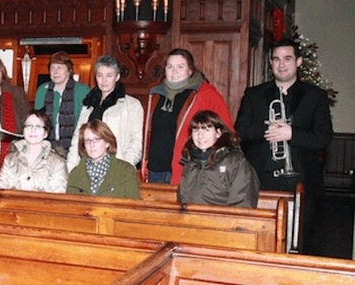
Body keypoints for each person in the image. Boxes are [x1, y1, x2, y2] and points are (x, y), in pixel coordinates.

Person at [235, 38, 333, 254]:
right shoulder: (254, 94)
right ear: (270, 63)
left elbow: (323, 137)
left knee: (298, 243)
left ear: (298, 62)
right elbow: (239, 132)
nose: (281, 64)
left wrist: (292, 133)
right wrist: (265, 131)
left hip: (301, 182)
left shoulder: (315, 96)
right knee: (261, 242)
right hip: (262, 180)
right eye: (276, 59)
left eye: (287, 59)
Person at [142, 48, 233, 185]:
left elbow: (227, 132)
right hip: (155, 168)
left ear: (190, 70)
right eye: (170, 66)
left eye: (180, 67)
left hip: (188, 169)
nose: (174, 71)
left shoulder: (206, 94)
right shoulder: (154, 94)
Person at [66, 54, 143, 171]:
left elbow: (136, 143)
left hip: (116, 168)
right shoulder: (88, 104)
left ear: (117, 77)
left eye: (109, 75)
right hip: (87, 167)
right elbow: (78, 138)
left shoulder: (132, 105)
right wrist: (71, 168)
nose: (104, 80)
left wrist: (123, 168)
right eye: (100, 75)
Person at [178, 110, 260, 208]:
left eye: (206, 130)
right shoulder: (190, 163)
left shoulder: (236, 162)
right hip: (192, 221)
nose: (200, 136)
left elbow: (243, 205)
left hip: (221, 221)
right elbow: (183, 200)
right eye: (196, 130)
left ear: (218, 133)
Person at [0, 109, 69, 193]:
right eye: (29, 126)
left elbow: (58, 197)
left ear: (46, 133)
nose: (32, 130)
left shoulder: (58, 163)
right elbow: (0, 190)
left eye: (38, 126)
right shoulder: (10, 159)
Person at [34, 51, 91, 158]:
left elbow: (87, 123)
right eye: (52, 68)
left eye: (59, 67)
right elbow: (37, 122)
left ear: (69, 70)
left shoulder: (82, 91)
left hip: (75, 149)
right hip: (47, 148)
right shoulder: (42, 91)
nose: (55, 72)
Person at [67, 119, 140, 199]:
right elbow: (69, 206)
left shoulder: (126, 171)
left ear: (107, 142)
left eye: (96, 139)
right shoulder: (75, 174)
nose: (92, 144)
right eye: (87, 141)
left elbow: (134, 207)